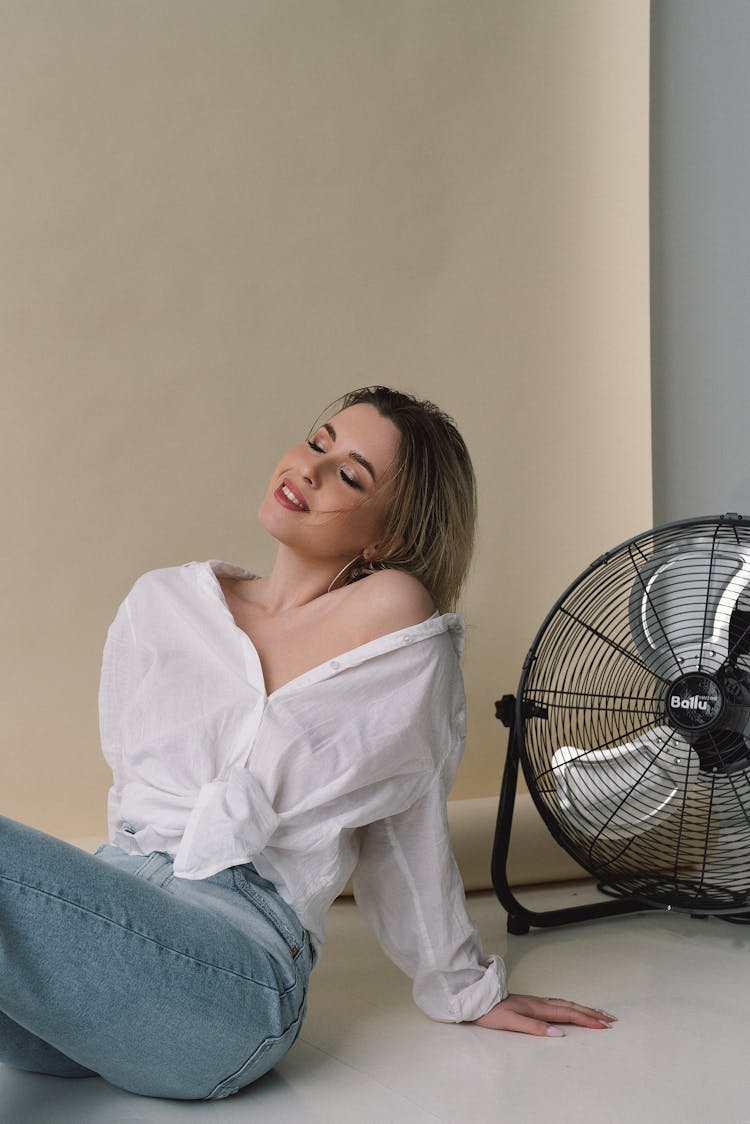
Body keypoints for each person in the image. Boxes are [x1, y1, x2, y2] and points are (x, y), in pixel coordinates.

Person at [0, 386, 615, 1101]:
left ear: (391, 540)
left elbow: (404, 821)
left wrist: (464, 990)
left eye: (351, 475)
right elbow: (130, 799)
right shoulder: (163, 601)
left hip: (232, 975)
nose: (311, 469)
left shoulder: (392, 617)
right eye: (318, 442)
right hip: (107, 956)